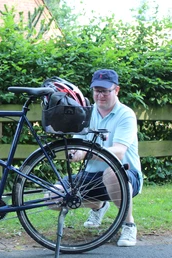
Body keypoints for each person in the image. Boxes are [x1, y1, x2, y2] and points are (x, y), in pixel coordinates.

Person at [71, 69, 143, 247]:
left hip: (126, 175)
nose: (100, 95)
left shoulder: (126, 114)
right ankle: (99, 207)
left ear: (116, 90)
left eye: (105, 91)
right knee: (53, 197)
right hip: (91, 176)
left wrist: (86, 153)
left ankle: (129, 224)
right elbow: (77, 147)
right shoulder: (85, 113)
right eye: (97, 90)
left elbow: (118, 152)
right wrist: (74, 153)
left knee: (112, 173)